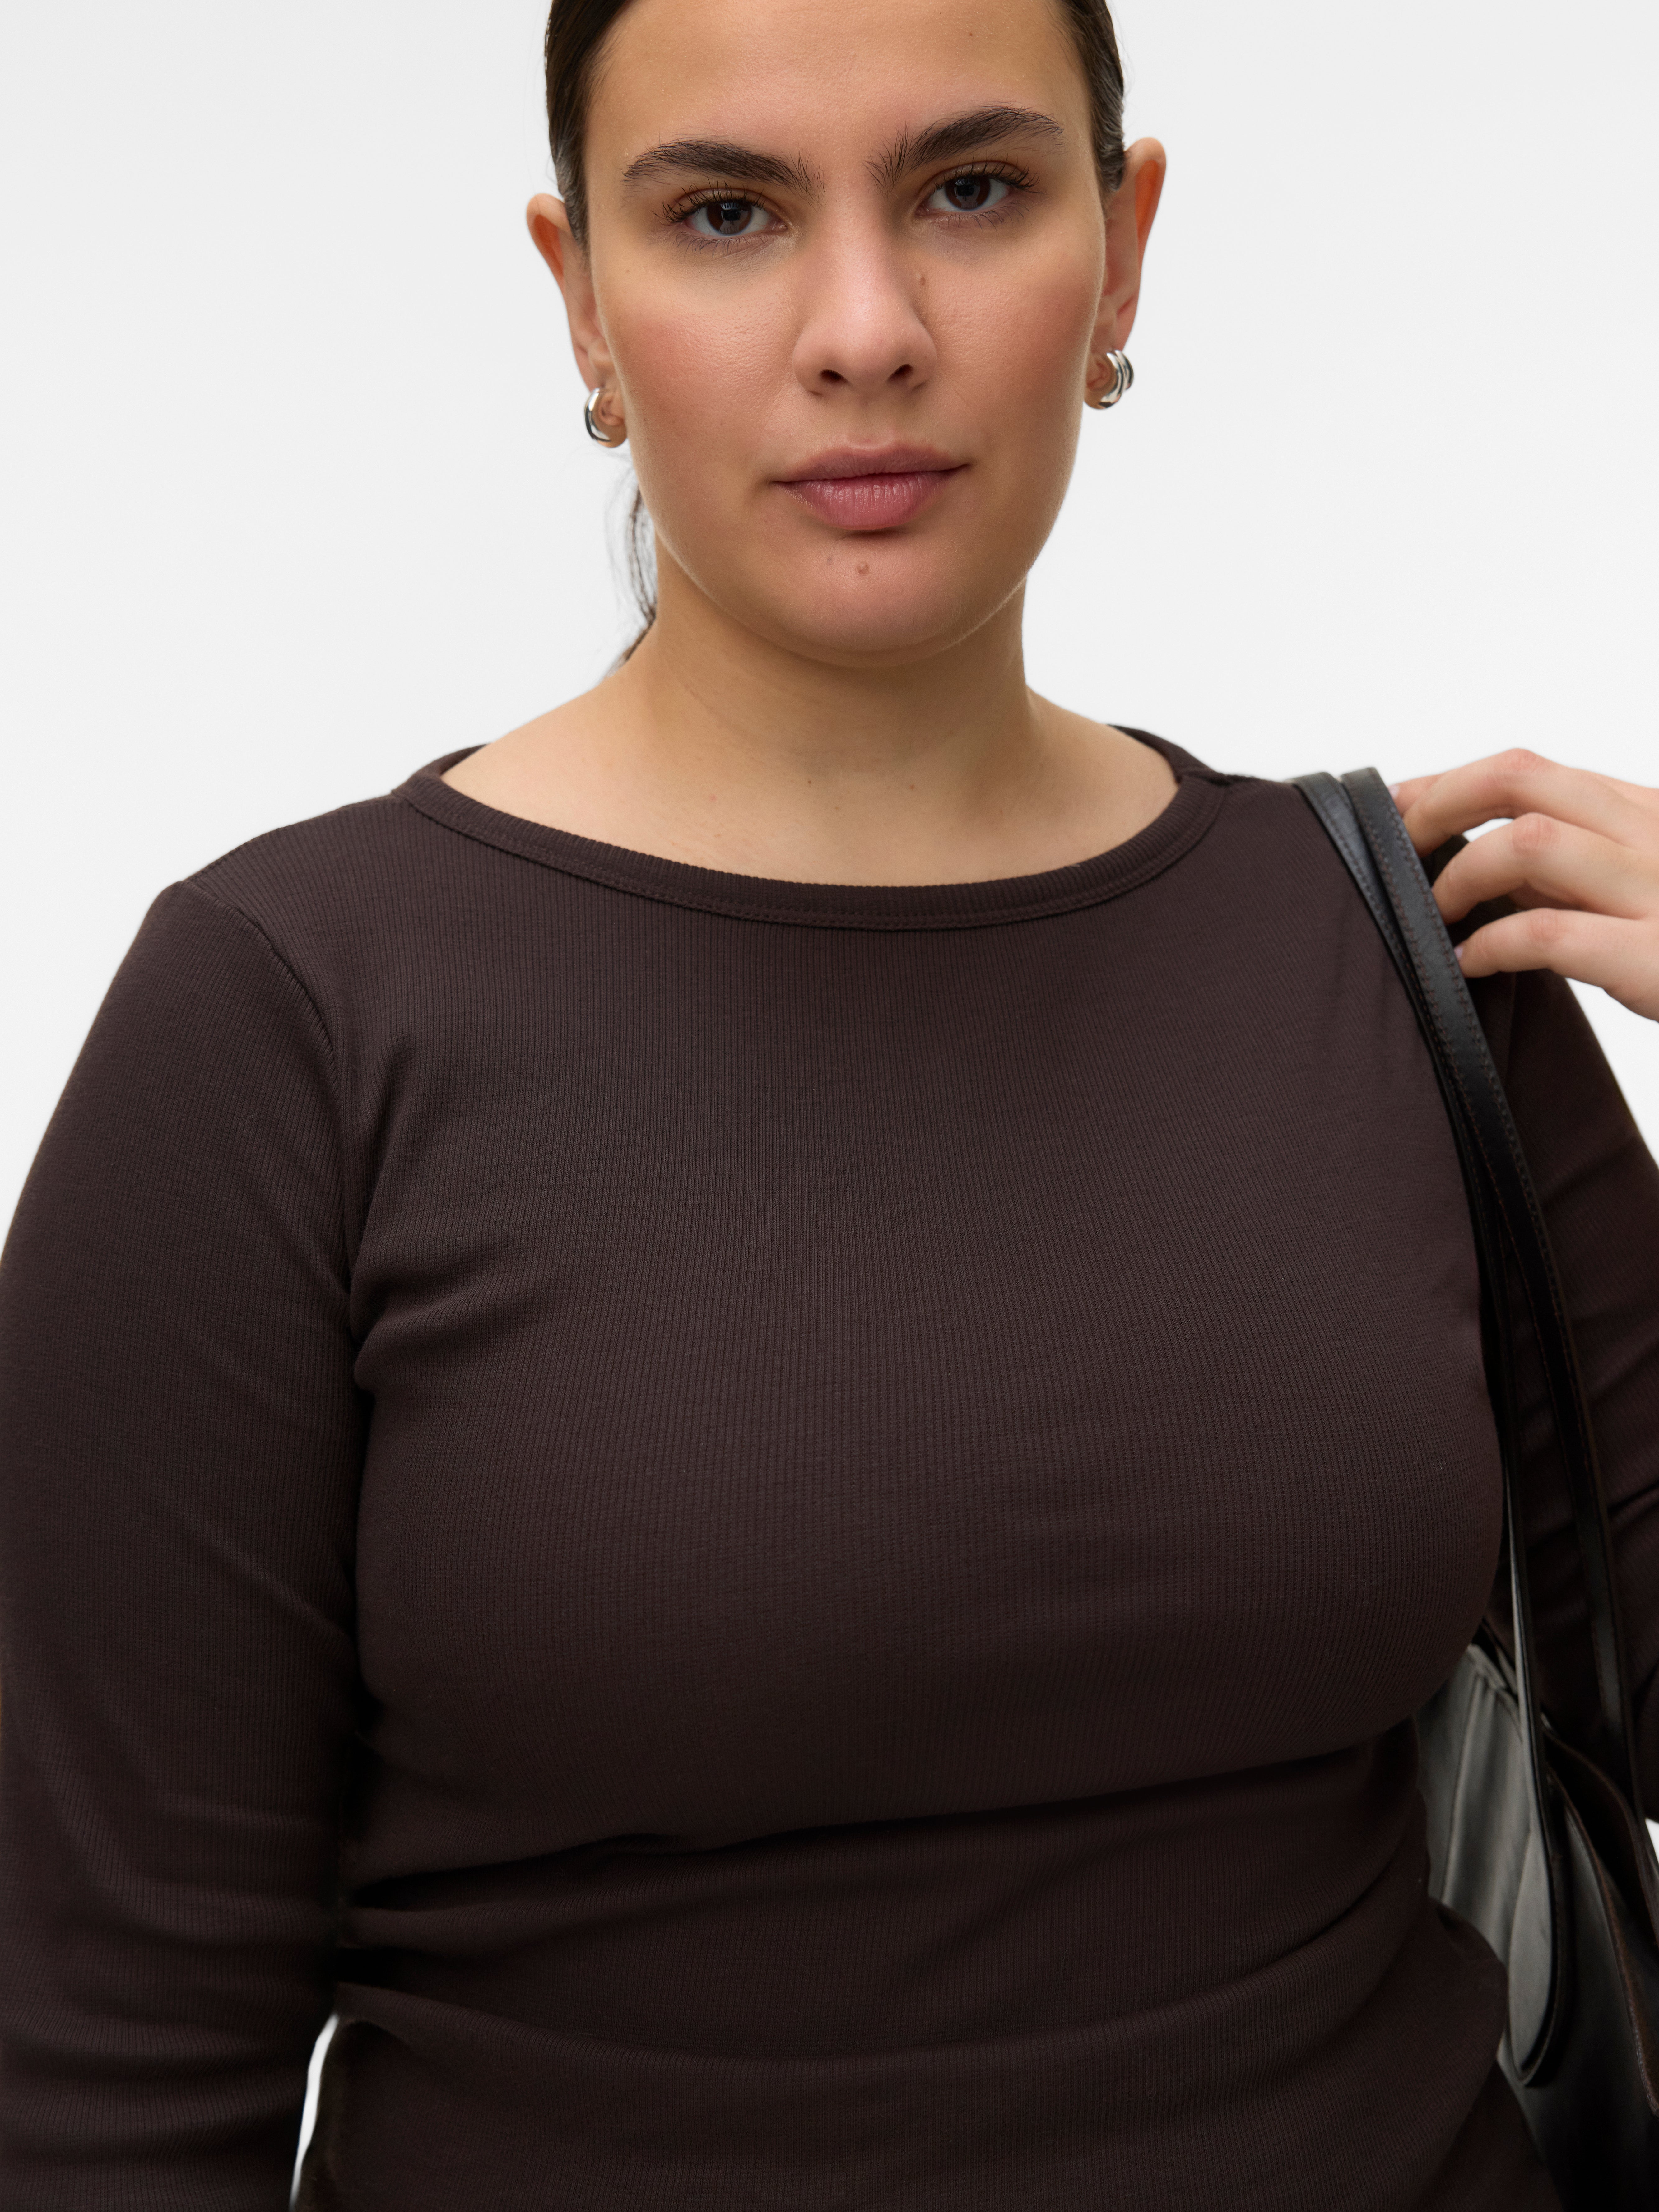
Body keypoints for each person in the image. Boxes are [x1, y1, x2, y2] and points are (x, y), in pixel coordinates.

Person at [2, 0, 1658, 2204]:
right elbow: (98, 2077)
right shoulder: (284, 1020)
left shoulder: (1403, 958)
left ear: (1122, 255)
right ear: (580, 300)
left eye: (971, 190)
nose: (865, 329)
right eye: (725, 214)